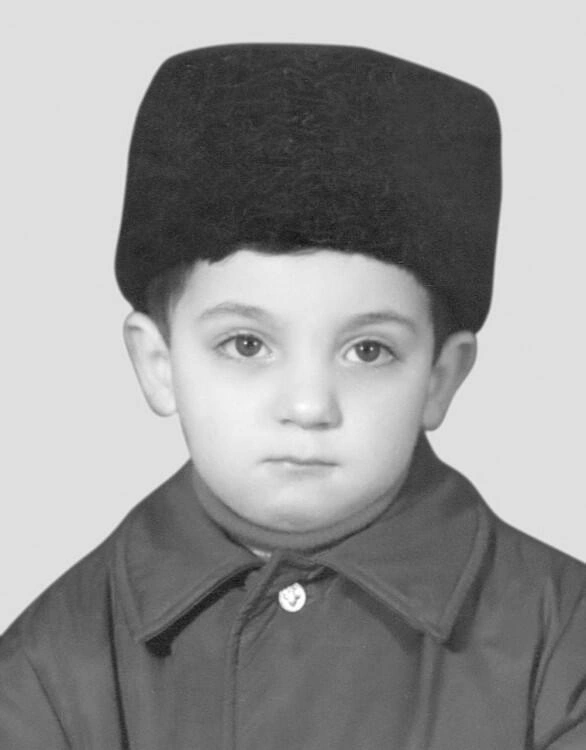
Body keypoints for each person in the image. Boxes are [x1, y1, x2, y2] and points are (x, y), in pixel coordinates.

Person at [1, 43, 584, 750]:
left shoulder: (562, 641)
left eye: (368, 351)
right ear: (158, 363)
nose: (308, 407)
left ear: (440, 377)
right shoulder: (49, 666)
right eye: (247, 344)